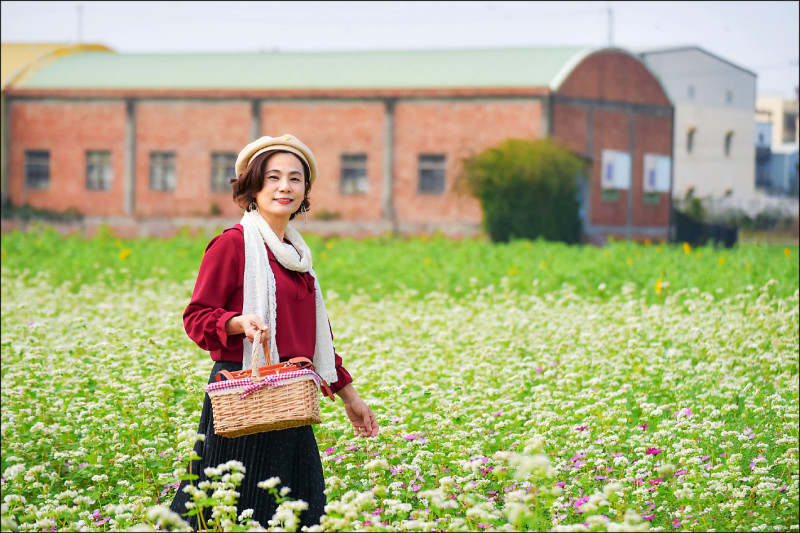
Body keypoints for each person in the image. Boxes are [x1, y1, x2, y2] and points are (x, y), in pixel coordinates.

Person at [169, 134, 379, 530]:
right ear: (253, 187)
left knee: (300, 510)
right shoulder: (232, 245)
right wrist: (237, 322)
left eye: (295, 179)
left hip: (292, 403)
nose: (285, 187)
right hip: (242, 395)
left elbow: (317, 340)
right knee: (217, 509)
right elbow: (196, 317)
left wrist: (350, 396)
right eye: (274, 178)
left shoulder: (299, 258)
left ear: (305, 191)